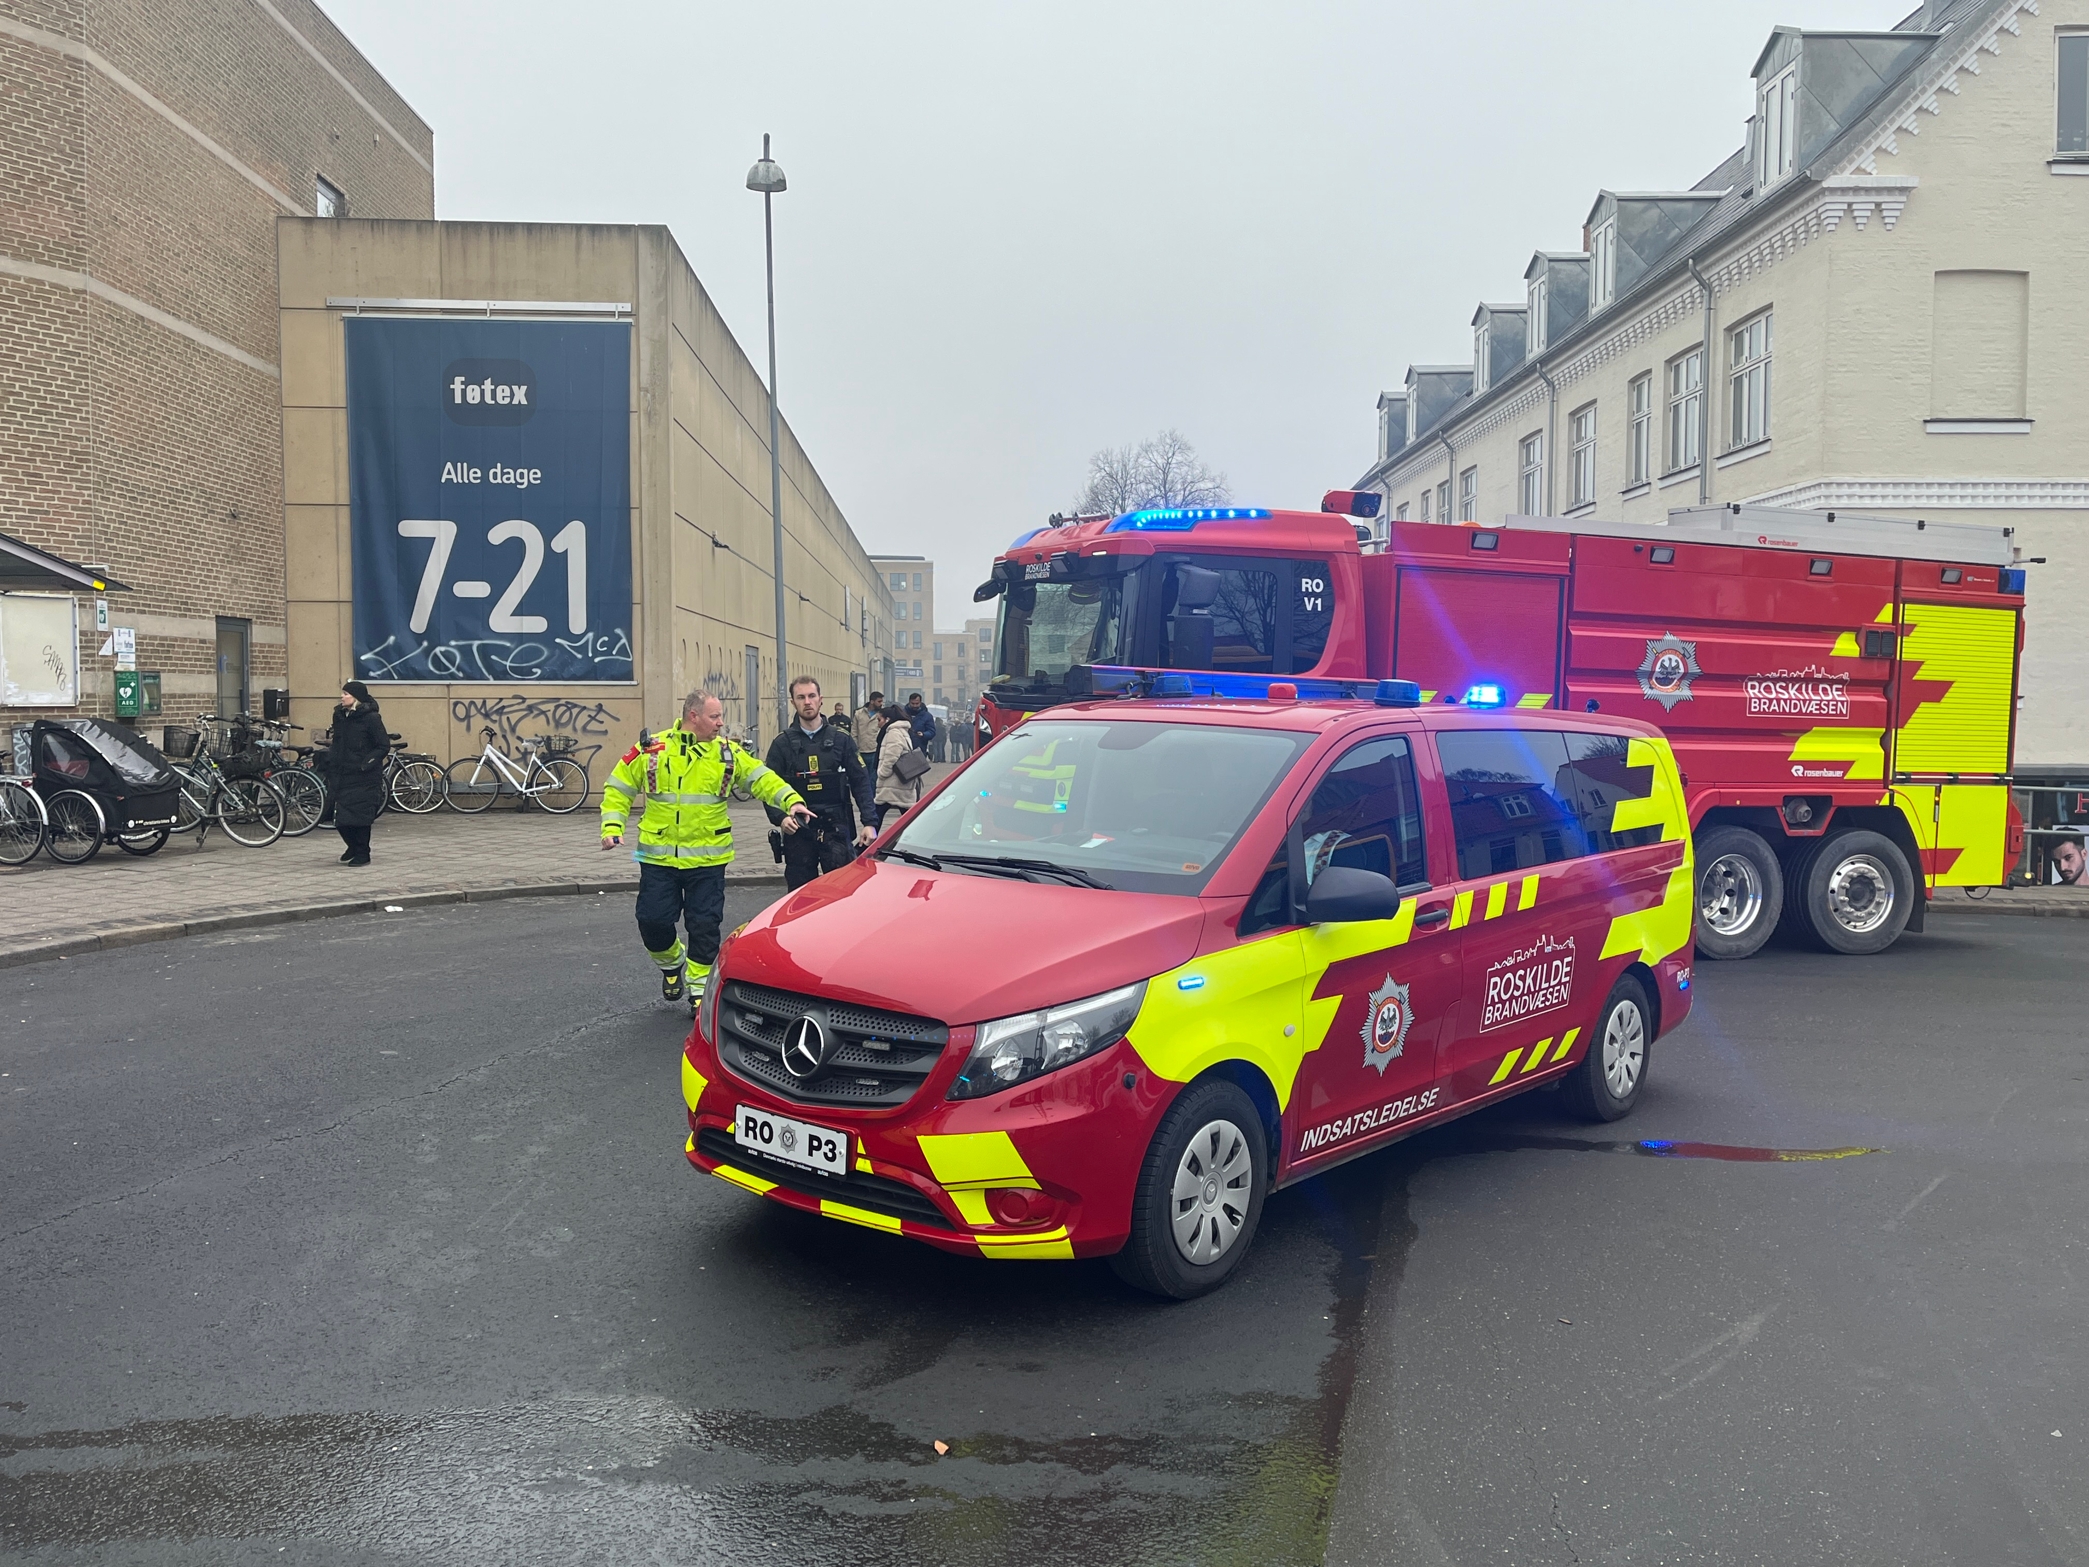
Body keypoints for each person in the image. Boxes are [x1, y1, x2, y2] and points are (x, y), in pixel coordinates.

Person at [600, 690, 811, 1010]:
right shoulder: (653, 748)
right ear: (693, 716)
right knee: (652, 921)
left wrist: (791, 801)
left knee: (704, 926)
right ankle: (672, 965)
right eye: (715, 716)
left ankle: (699, 992)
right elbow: (619, 787)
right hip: (658, 858)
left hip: (709, 860)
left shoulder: (727, 753)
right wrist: (612, 827)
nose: (721, 723)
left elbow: (763, 779)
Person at [764, 675, 877, 891]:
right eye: (801, 697)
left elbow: (861, 782)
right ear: (793, 702)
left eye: (811, 696)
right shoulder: (782, 743)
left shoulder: (842, 739)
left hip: (836, 826)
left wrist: (870, 823)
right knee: (799, 894)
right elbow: (768, 785)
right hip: (798, 829)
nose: (807, 702)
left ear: (820, 699)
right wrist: (780, 818)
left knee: (841, 892)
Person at [327, 680, 389, 866]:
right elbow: (338, 742)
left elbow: (383, 745)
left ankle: (362, 852)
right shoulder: (340, 715)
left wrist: (366, 763)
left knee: (360, 816)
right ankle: (352, 846)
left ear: (356, 698)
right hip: (342, 772)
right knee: (338, 816)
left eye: (346, 694)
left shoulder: (371, 718)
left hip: (364, 775)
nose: (342, 696)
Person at [875, 700, 925, 825]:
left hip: (892, 782)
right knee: (907, 817)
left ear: (887, 719)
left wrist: (882, 773)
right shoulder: (900, 730)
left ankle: (869, 837)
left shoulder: (893, 732)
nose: (878, 723)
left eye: (879, 720)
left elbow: (892, 756)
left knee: (877, 814)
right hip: (899, 782)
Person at [854, 691, 885, 767]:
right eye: (879, 701)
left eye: (882, 701)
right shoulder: (859, 714)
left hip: (875, 750)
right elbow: (854, 732)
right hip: (861, 750)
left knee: (873, 772)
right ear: (872, 701)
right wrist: (855, 748)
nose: (881, 704)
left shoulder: (882, 714)